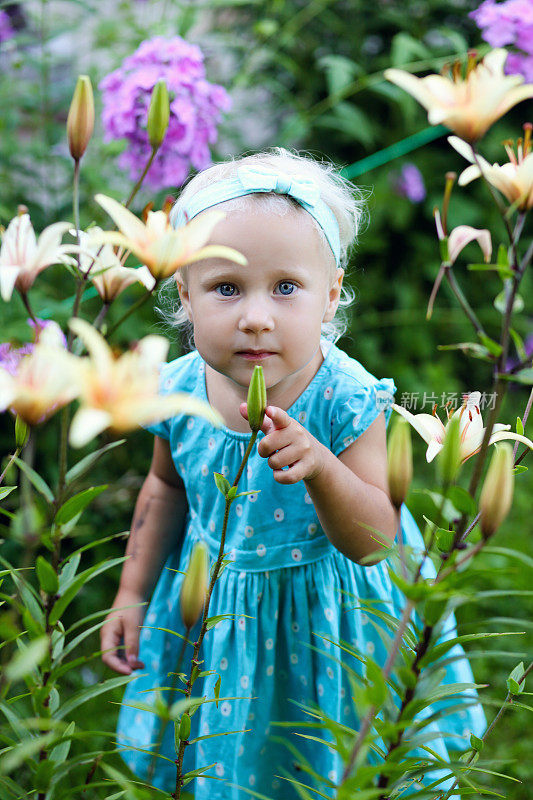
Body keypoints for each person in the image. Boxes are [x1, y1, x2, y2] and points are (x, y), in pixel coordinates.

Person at [101, 148, 486, 799]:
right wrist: (132, 593)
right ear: (185, 296)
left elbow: (375, 541)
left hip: (332, 620)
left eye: (285, 288)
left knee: (331, 762)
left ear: (329, 293)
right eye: (226, 288)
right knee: (224, 758)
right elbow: (166, 487)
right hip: (219, 613)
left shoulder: (346, 398)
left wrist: (321, 469)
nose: (256, 315)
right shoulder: (179, 391)